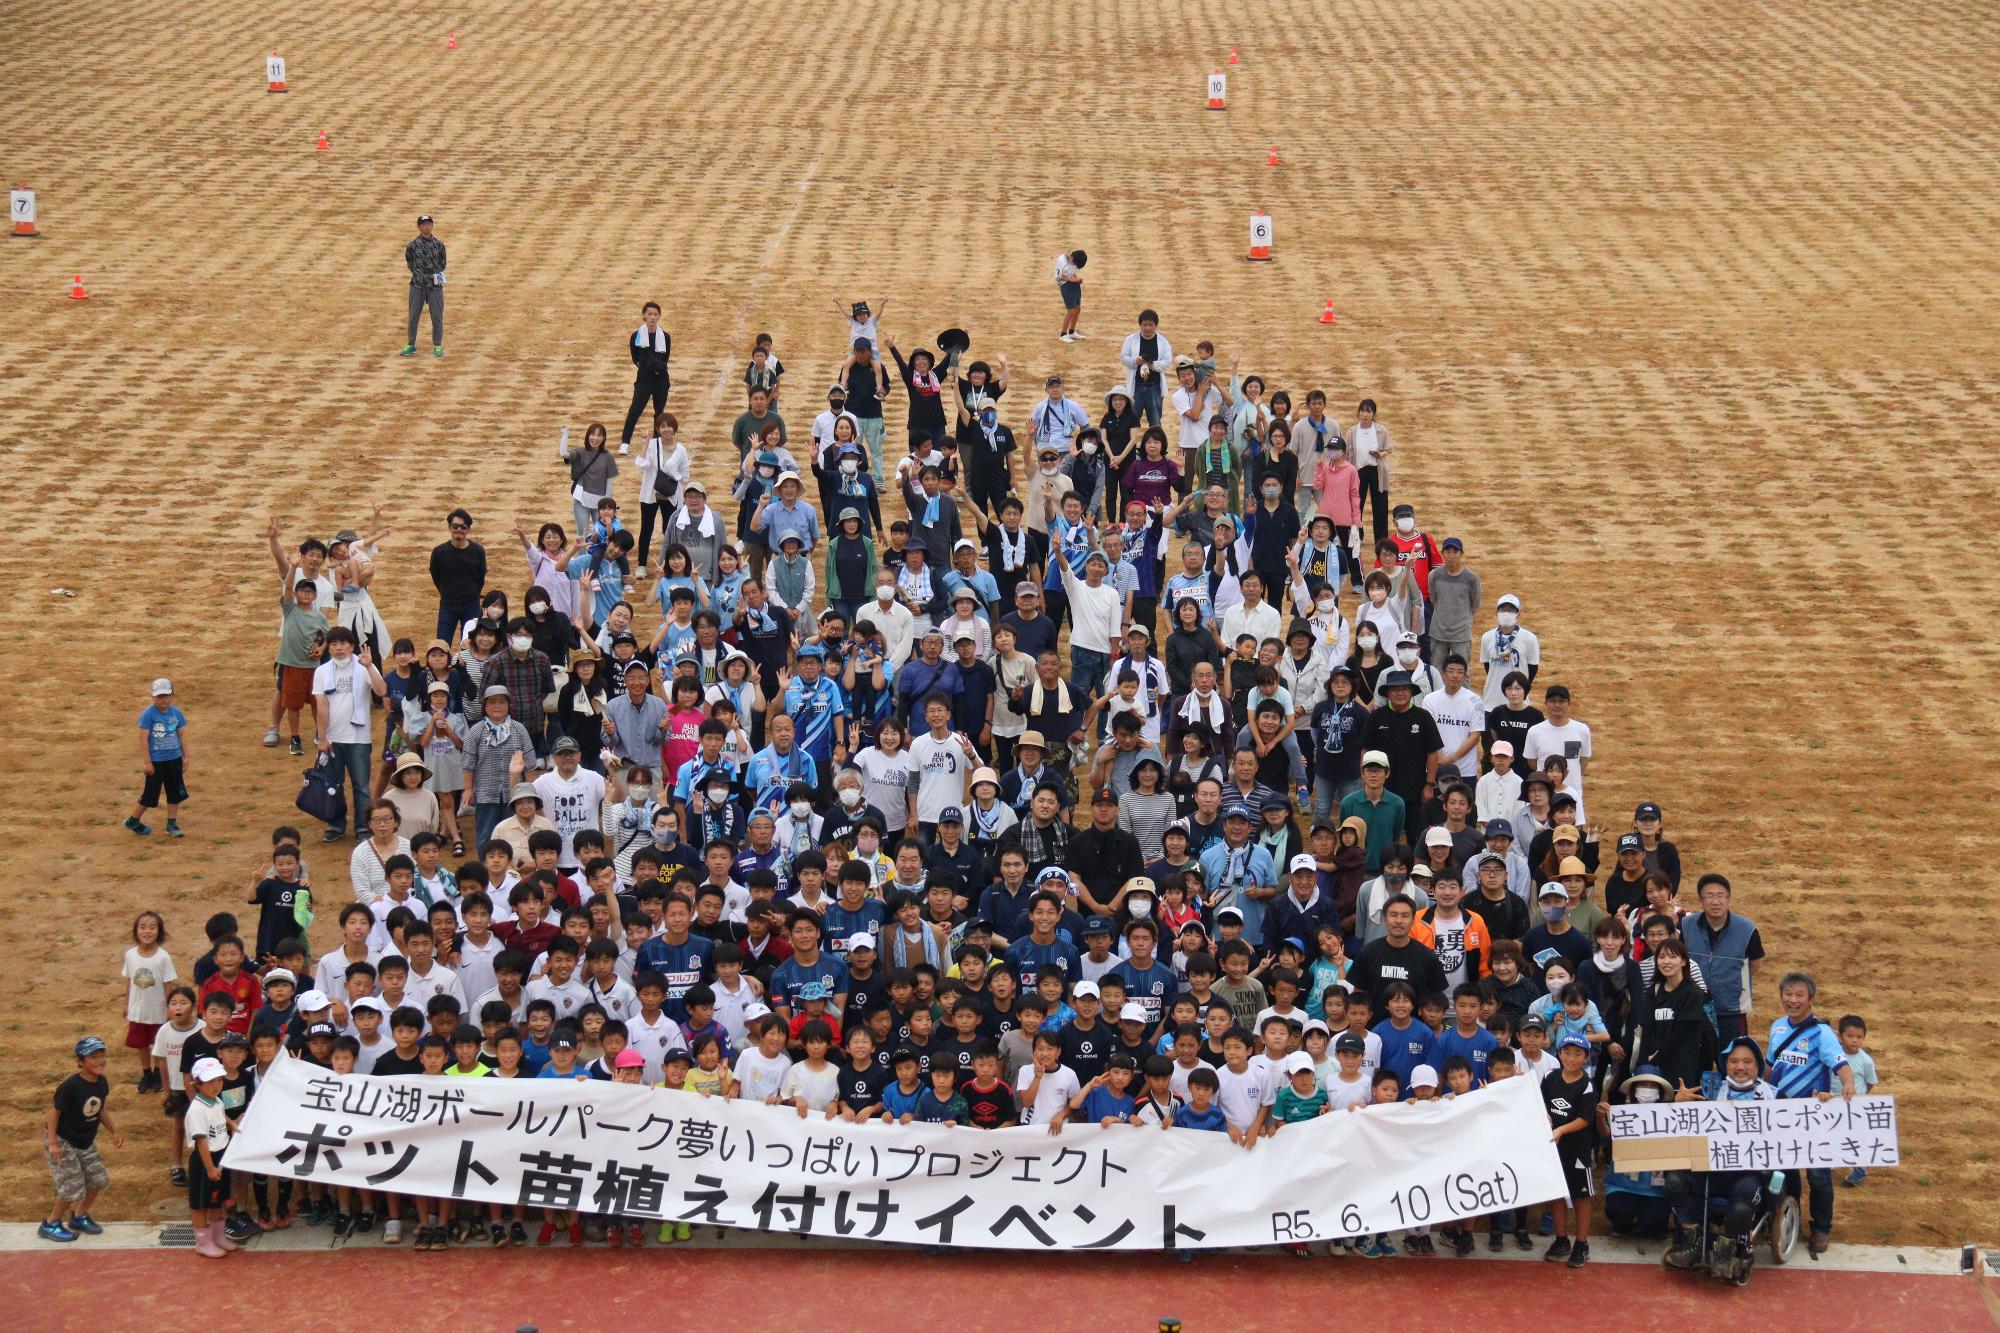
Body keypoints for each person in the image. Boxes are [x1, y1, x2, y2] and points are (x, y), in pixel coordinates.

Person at [1766, 971, 1856, 1253]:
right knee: (1785, 1171)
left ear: (1810, 999)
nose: (1792, 1000)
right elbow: (1770, 1067)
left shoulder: (1822, 1033)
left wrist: (1849, 1084)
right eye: (1788, 994)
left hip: (1814, 1114)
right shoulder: (1778, 1027)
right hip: (1782, 1112)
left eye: (1798, 995)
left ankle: (1821, 1228)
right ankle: (1789, 1222)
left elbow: (1840, 1064)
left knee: (1818, 1175)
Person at [41, 1036, 122, 1243]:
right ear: (80, 1061)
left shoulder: (102, 1083)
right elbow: (54, 1114)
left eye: (102, 1055)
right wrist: (52, 1143)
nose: (100, 1061)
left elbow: (100, 1109)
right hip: (63, 1140)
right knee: (71, 1186)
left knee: (98, 1179)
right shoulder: (70, 1086)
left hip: (84, 1141)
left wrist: (113, 1130)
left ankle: (79, 1216)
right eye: (93, 1057)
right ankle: (51, 1223)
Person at [1541, 1035, 1597, 1267]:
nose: (1571, 1058)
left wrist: (1561, 1129)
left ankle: (1582, 1244)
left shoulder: (1587, 1085)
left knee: (1581, 1197)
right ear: (1560, 1053)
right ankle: (1561, 1239)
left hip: (1577, 1150)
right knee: (1556, 1194)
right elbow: (1541, 1102)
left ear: (1585, 1058)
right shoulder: (1549, 1077)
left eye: (1577, 1054)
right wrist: (1544, 1116)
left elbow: (1584, 1119)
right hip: (1554, 1147)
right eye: (1567, 1052)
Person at [127, 677, 191, 838]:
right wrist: (148, 762)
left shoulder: (177, 713)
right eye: (159, 696)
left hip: (174, 759)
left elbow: (182, 735)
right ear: (153, 697)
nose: (162, 699)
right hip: (156, 762)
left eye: (165, 696)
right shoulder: (148, 714)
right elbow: (143, 739)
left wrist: (186, 756)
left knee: (174, 792)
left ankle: (171, 823)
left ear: (172, 695)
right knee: (150, 794)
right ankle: (133, 820)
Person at [429, 509, 486, 642]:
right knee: (442, 643)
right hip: (448, 604)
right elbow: (436, 575)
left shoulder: (478, 552)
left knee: (471, 643)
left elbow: (480, 578)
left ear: (468, 529)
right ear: (449, 527)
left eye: (463, 527)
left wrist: (473, 593)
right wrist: (446, 592)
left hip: (471, 604)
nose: (459, 529)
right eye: (455, 526)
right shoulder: (439, 552)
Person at [622, 302, 671, 448]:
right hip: (644, 378)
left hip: (661, 379)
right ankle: (625, 441)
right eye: (649, 314)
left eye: (655, 315)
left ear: (659, 316)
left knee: (659, 411)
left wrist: (656, 367)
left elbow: (665, 358)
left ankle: (657, 439)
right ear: (644, 316)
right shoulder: (636, 336)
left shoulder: (665, 337)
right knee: (635, 410)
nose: (652, 317)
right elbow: (635, 358)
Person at [402, 213, 445, 358]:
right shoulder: (413, 245)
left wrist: (434, 275)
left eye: (429, 224)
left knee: (437, 316)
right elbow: (409, 261)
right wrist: (419, 274)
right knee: (413, 315)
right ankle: (411, 344)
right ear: (419, 227)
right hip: (417, 285)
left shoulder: (439, 245)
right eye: (424, 224)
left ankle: (437, 345)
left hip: (435, 285)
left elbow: (442, 263)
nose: (427, 226)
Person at [1053, 248, 1087, 340]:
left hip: (1074, 285)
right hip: (1066, 286)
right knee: (1071, 311)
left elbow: (1072, 272)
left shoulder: (1074, 259)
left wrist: (1076, 279)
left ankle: (1071, 332)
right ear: (1071, 258)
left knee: (1077, 309)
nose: (1074, 265)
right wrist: (1073, 279)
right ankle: (1063, 334)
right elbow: (1058, 278)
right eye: (1075, 264)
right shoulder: (1061, 261)